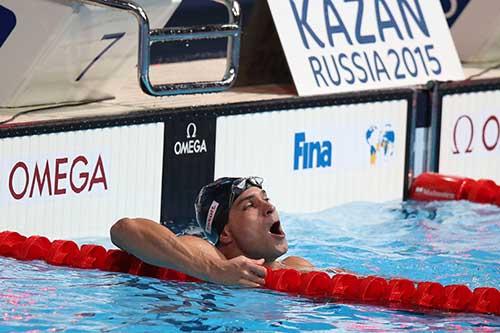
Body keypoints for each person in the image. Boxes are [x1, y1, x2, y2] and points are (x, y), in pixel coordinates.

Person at [110, 176, 313, 287]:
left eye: (265, 199)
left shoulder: (296, 265)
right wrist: (214, 271)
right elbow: (125, 229)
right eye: (250, 205)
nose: (269, 207)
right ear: (225, 234)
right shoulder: (208, 256)